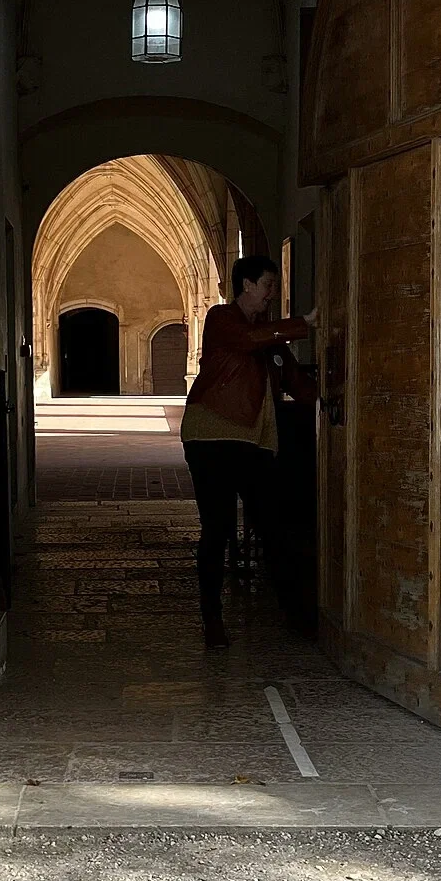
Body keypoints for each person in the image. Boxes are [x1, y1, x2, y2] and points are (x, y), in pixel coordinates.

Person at [180, 254, 317, 649]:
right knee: (218, 528)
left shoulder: (270, 337)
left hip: (253, 442)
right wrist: (303, 323)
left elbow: (294, 381)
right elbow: (248, 340)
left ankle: (296, 616)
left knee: (273, 525)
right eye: (269, 285)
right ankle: (212, 620)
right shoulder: (222, 319)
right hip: (212, 439)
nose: (273, 293)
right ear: (247, 286)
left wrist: (333, 406)